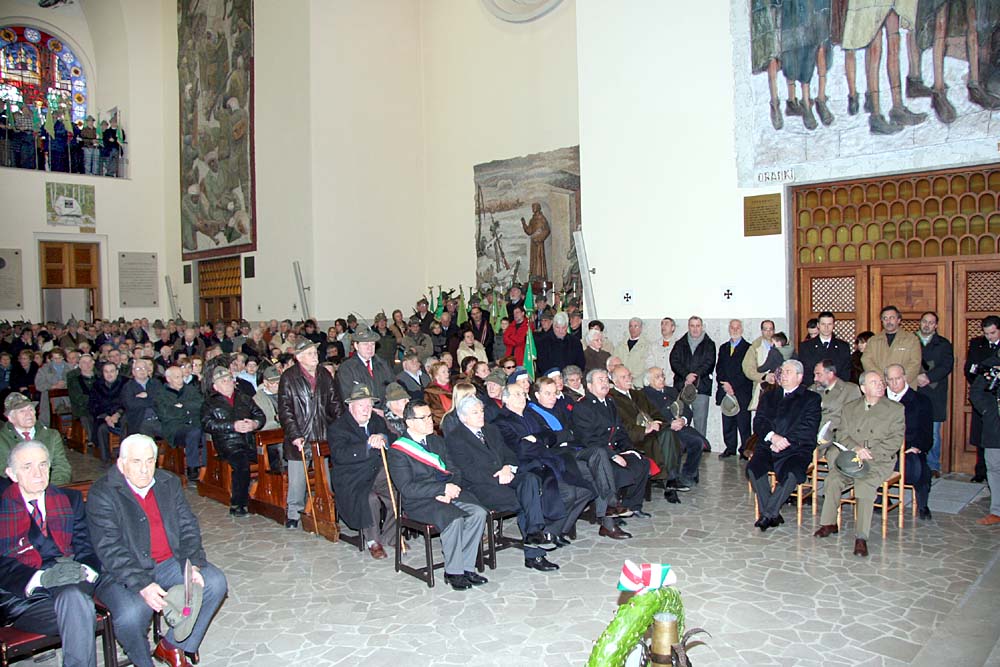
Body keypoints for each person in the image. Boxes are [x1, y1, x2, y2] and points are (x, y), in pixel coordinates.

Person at [88, 434, 228, 667]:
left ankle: (172, 647)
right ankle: (144, 662)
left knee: (214, 582)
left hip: (167, 562)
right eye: (136, 461)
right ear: (121, 463)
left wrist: (192, 563)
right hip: (121, 572)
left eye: (150, 461)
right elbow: (109, 548)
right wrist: (142, 584)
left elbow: (187, 525)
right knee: (132, 614)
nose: (144, 469)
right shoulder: (103, 492)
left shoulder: (168, 482)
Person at [0, 440, 100, 667]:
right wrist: (42, 578)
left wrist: (83, 570)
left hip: (71, 581)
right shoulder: (4, 508)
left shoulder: (69, 500)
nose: (38, 473)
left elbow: (86, 547)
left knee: (74, 599)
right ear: (12, 474)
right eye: (27, 467)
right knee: (79, 609)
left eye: (43, 465)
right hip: (24, 597)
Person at [448, 396, 561, 571]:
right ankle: (535, 553)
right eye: (475, 412)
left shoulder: (491, 429)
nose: (481, 415)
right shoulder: (455, 438)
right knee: (527, 500)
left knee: (530, 479)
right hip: (480, 486)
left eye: (481, 411)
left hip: (505, 476)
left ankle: (534, 533)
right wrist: (497, 477)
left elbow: (509, 454)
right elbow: (467, 471)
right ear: (463, 417)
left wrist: (508, 467)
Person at [386, 401, 488, 591]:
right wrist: (440, 490)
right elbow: (407, 488)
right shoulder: (398, 451)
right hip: (419, 501)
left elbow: (455, 470)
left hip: (447, 492)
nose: (429, 421)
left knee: (479, 513)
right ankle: (454, 572)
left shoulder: (437, 441)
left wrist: (451, 488)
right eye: (423, 418)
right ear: (409, 422)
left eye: (430, 416)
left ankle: (467, 567)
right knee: (454, 518)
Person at [815, 371, 905, 557]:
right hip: (853, 458)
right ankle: (829, 523)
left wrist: (870, 453)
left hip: (878, 460)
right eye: (874, 382)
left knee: (864, 485)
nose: (880, 385)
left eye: (881, 382)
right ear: (863, 388)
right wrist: (856, 449)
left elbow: (895, 440)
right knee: (833, 479)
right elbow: (842, 435)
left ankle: (861, 537)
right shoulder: (850, 408)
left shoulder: (895, 409)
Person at [571, 369, 651, 537]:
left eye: (606, 380)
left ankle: (632, 506)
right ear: (590, 386)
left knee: (641, 462)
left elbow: (620, 431)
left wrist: (629, 449)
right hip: (593, 453)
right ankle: (609, 520)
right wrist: (612, 455)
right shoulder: (582, 406)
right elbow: (588, 439)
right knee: (611, 470)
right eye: (600, 380)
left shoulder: (610, 402)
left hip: (612, 448)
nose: (605, 383)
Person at [748, 360, 822, 531]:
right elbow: (759, 422)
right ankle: (772, 513)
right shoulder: (769, 396)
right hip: (769, 444)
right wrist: (773, 437)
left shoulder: (811, 398)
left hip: (796, 448)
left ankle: (767, 514)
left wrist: (785, 441)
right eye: (782, 372)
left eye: (788, 372)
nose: (783, 375)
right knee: (754, 468)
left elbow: (808, 428)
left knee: (792, 473)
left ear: (799, 377)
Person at [279, 339, 342, 529]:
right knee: (298, 479)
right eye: (310, 353)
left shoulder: (324, 374)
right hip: (300, 434)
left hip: (322, 433)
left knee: (324, 478)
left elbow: (335, 403)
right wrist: (294, 435)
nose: (315, 356)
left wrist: (341, 427)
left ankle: (326, 510)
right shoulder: (289, 377)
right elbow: (285, 410)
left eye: (315, 352)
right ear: (299, 357)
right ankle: (293, 513)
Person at [328, 386, 397, 560]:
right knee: (369, 499)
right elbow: (341, 455)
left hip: (377, 472)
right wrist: (367, 445)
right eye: (361, 405)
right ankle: (373, 542)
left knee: (397, 492)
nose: (366, 409)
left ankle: (391, 535)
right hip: (352, 478)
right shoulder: (338, 427)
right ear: (351, 407)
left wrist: (384, 438)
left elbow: (394, 438)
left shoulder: (377, 421)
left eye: (369, 405)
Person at [201, 367, 264, 517]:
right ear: (215, 387)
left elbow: (260, 415)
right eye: (223, 381)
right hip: (227, 443)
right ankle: (238, 503)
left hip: (249, 440)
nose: (228, 383)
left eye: (229, 379)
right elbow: (207, 424)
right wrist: (232, 426)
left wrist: (254, 424)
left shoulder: (244, 398)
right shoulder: (210, 403)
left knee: (273, 456)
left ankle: (267, 496)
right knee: (241, 464)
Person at [885, 364, 934, 520]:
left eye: (898, 379)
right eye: (890, 380)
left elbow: (926, 433)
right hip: (884, 450)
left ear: (905, 378)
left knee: (920, 468)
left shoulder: (921, 401)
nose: (894, 383)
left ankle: (923, 505)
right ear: (886, 381)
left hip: (910, 449)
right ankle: (880, 499)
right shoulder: (880, 400)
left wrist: (916, 447)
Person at [0, 392, 72, 487]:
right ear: (11, 418)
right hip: (17, 488)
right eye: (22, 411)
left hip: (50, 486)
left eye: (30, 409)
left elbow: (61, 466)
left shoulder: (51, 435)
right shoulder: (2, 439)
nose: (28, 414)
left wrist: (52, 488)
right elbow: (5, 471)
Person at [915, 311, 953, 477]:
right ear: (920, 322)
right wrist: (915, 377)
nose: (927, 325)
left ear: (936, 325)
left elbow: (946, 365)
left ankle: (933, 465)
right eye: (925, 321)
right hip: (914, 389)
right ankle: (915, 464)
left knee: (933, 432)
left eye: (931, 323)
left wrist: (928, 377)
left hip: (934, 392)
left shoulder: (943, 344)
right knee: (913, 429)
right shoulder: (910, 340)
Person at [155, 366, 205, 482]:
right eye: (177, 377)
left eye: (182, 377)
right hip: (174, 428)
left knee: (204, 432)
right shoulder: (161, 394)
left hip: (194, 423)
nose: (181, 380)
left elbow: (200, 405)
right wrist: (187, 411)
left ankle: (206, 466)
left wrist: (182, 406)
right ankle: (193, 467)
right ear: (168, 379)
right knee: (194, 432)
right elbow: (166, 414)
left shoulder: (190, 389)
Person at [964, 315, 999, 483]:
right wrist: (981, 381)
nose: (989, 337)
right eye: (986, 333)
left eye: (992, 333)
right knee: (981, 435)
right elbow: (970, 369)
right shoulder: (977, 344)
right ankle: (981, 470)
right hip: (984, 397)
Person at [669, 316, 716, 437]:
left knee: (700, 424)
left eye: (698, 326)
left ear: (702, 327)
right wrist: (686, 375)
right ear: (688, 327)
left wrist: (693, 377)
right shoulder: (680, 344)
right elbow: (674, 361)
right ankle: (682, 445)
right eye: (692, 326)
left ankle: (701, 445)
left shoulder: (710, 344)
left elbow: (709, 363)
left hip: (701, 388)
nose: (695, 329)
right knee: (679, 420)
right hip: (682, 387)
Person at [970, 353, 1000, 525]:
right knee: (994, 469)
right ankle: (996, 511)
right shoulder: (990, 364)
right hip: (993, 426)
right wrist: (987, 411)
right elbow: (975, 391)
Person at [716, 319, 753, 458]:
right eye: (732, 327)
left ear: (742, 329)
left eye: (737, 327)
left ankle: (744, 449)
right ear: (729, 329)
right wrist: (725, 385)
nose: (735, 330)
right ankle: (730, 448)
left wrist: (733, 386)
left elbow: (747, 371)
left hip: (741, 390)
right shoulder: (723, 347)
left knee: (743, 423)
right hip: (725, 390)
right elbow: (719, 368)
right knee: (728, 422)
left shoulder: (748, 348)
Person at [862, 305, 921, 389]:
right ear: (882, 321)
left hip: (905, 388)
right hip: (881, 387)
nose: (888, 321)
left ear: (899, 320)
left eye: (892, 318)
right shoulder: (873, 341)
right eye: (885, 318)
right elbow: (866, 360)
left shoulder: (911, 340)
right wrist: (883, 379)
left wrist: (898, 381)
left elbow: (915, 363)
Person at [336, 326, 395, 405]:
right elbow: (347, 397)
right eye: (365, 344)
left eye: (372, 344)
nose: (369, 348)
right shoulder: (346, 368)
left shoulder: (383, 365)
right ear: (356, 346)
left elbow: (393, 389)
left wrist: (385, 409)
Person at [811, 360, 858, 444]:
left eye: (818, 374)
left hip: (836, 438)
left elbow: (854, 420)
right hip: (811, 436)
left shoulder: (849, 390)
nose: (815, 379)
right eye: (814, 375)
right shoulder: (812, 390)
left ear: (830, 374)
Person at [796, 311, 852, 382]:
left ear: (833, 325)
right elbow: (805, 371)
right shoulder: (806, 347)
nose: (826, 327)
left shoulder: (843, 347)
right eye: (823, 324)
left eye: (829, 324)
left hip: (837, 387)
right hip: (813, 386)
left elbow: (846, 372)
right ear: (818, 325)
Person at [89, 361, 126, 463]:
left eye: (112, 371)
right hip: (104, 417)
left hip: (122, 416)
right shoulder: (97, 386)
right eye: (106, 371)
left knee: (126, 423)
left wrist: (117, 414)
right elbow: (93, 405)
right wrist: (106, 417)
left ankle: (123, 456)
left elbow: (128, 403)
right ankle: (104, 460)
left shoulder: (125, 383)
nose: (109, 374)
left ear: (117, 372)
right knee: (101, 428)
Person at [743, 320, 778, 413]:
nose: (768, 332)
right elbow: (748, 369)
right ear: (762, 331)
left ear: (774, 330)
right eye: (766, 329)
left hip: (779, 386)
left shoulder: (782, 344)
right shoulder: (755, 347)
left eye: (771, 329)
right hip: (762, 387)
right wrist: (764, 377)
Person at [122, 359, 162, 439]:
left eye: (144, 368)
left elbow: (160, 400)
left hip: (159, 419)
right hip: (140, 421)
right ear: (133, 372)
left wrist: (146, 396)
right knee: (145, 439)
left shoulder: (156, 383)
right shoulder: (128, 386)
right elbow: (131, 404)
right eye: (138, 369)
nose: (142, 371)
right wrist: (150, 398)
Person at [67, 353, 98, 447]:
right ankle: (93, 439)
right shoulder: (73, 377)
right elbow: (76, 397)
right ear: (79, 365)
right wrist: (93, 401)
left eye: (90, 362)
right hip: (82, 407)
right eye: (84, 362)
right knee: (86, 417)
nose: (87, 365)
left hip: (98, 405)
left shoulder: (99, 375)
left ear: (93, 363)